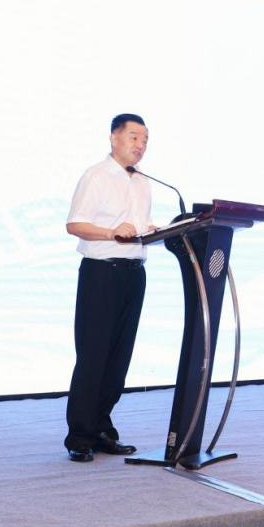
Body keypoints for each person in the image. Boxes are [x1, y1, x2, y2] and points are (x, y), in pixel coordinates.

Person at [63, 113, 154, 462]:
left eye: (145, 140)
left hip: (134, 273)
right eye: (134, 137)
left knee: (118, 359)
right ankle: (79, 437)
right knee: (94, 355)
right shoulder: (96, 176)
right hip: (101, 273)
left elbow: (137, 226)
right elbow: (75, 224)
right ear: (114, 137)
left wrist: (152, 230)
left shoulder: (143, 181)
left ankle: (102, 429)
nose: (140, 145)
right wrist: (111, 233)